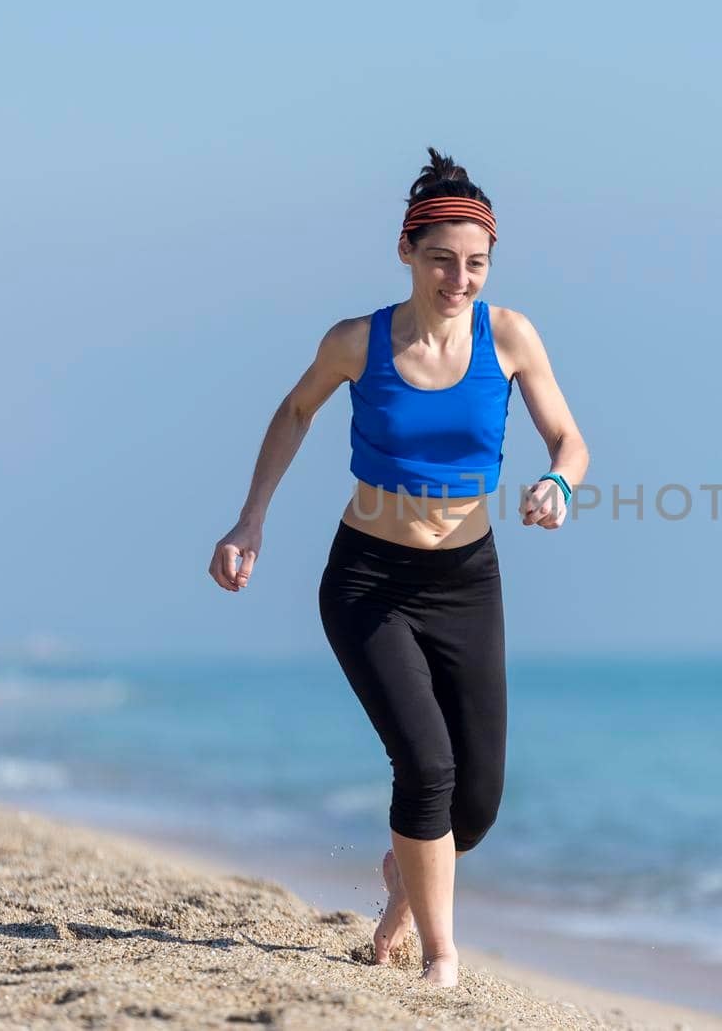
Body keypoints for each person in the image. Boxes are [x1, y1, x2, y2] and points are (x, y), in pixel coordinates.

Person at [208, 147, 589, 988]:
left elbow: (570, 438)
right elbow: (296, 409)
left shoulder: (510, 335)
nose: (460, 280)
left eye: (476, 264)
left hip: (467, 581)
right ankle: (441, 958)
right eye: (443, 261)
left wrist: (559, 483)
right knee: (426, 767)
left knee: (475, 804)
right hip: (368, 583)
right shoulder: (357, 341)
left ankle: (402, 880)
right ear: (408, 253)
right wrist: (251, 519)